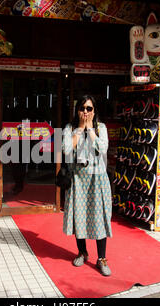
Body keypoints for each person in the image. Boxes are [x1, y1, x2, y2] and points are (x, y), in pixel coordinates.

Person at [62, 95, 113, 276]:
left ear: (94, 110)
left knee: (99, 217)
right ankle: (82, 252)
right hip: (78, 179)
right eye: (82, 108)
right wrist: (81, 129)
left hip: (97, 179)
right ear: (77, 110)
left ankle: (102, 258)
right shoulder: (70, 128)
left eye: (89, 108)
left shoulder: (101, 128)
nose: (85, 112)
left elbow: (103, 148)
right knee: (79, 216)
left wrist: (90, 130)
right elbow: (67, 149)